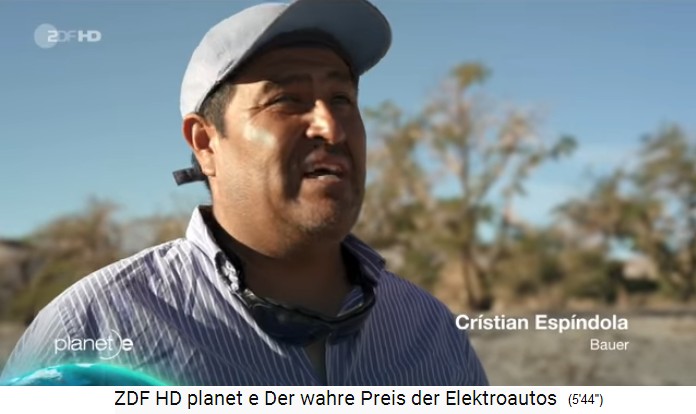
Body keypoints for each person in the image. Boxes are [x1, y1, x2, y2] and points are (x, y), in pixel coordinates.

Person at [1, 0, 488, 386]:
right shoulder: (90, 331)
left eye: (342, 98)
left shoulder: (429, 329)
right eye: (287, 100)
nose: (332, 127)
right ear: (205, 143)